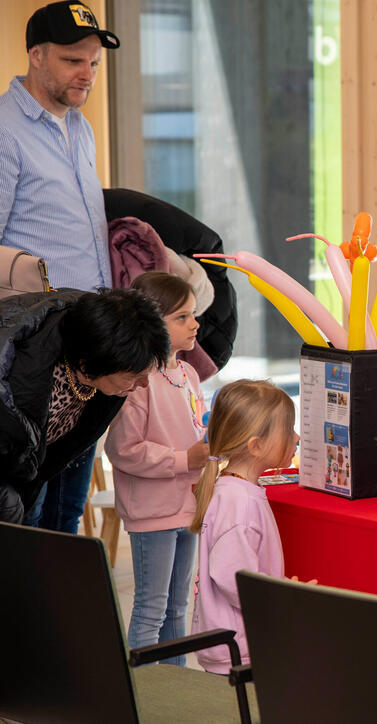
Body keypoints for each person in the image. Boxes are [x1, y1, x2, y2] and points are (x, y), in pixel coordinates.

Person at [0, 1, 121, 532]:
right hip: (35, 354)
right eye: (74, 61)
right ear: (36, 55)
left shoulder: (81, 128)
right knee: (31, 514)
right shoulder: (5, 131)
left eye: (93, 64)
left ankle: (61, 616)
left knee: (68, 513)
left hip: (88, 346)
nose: (86, 75)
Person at [104, 272, 209, 666]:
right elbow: (123, 450)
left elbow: (195, 430)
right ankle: (144, 695)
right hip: (153, 515)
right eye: (182, 317)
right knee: (152, 608)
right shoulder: (137, 382)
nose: (195, 324)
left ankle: (173, 690)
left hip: (187, 508)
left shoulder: (188, 374)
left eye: (193, 315)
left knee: (178, 607)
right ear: (151, 324)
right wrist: (185, 460)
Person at [0, 288, 170, 524]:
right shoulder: (23, 373)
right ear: (89, 365)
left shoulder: (105, 378)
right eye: (135, 376)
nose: (143, 384)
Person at [189, 379, 300, 674]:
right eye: (288, 430)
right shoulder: (240, 503)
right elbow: (235, 579)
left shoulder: (232, 489)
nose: (297, 436)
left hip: (230, 639)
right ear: (256, 446)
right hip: (240, 646)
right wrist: (281, 596)